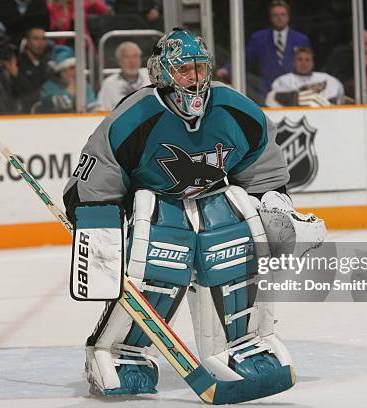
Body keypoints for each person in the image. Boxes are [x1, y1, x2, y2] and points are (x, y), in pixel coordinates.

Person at [63, 28, 324, 398]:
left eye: (201, 69)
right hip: (156, 205)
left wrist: (274, 204)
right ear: (163, 74)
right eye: (185, 69)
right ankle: (121, 353)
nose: (195, 78)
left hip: (214, 201)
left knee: (234, 241)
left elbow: (262, 165)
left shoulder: (235, 108)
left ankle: (241, 345)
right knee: (156, 273)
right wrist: (98, 225)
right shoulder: (134, 117)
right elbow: (100, 172)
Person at [215, 0, 310, 101]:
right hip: (265, 92)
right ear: (270, 17)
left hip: (293, 90)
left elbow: (307, 64)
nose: (279, 18)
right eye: (275, 15)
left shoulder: (300, 39)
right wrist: (227, 69)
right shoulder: (259, 38)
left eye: (283, 14)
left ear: (288, 16)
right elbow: (245, 58)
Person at [265, 47, 344, 107]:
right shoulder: (282, 80)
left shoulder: (327, 79)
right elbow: (274, 103)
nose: (304, 63)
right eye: (300, 60)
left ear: (313, 62)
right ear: (294, 62)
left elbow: (339, 98)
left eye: (307, 60)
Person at [40, 45, 97, 112]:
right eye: (71, 68)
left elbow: (92, 105)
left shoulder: (84, 85)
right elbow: (52, 108)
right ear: (61, 71)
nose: (75, 71)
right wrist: (69, 92)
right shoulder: (48, 87)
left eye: (76, 67)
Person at [96, 41, 150, 111]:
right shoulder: (109, 83)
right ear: (119, 60)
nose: (132, 61)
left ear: (140, 58)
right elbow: (102, 111)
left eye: (135, 56)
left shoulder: (151, 77)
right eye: (126, 57)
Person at [17, 27, 51, 112]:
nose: (40, 43)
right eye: (36, 39)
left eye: (43, 39)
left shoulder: (48, 62)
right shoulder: (18, 63)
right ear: (27, 42)